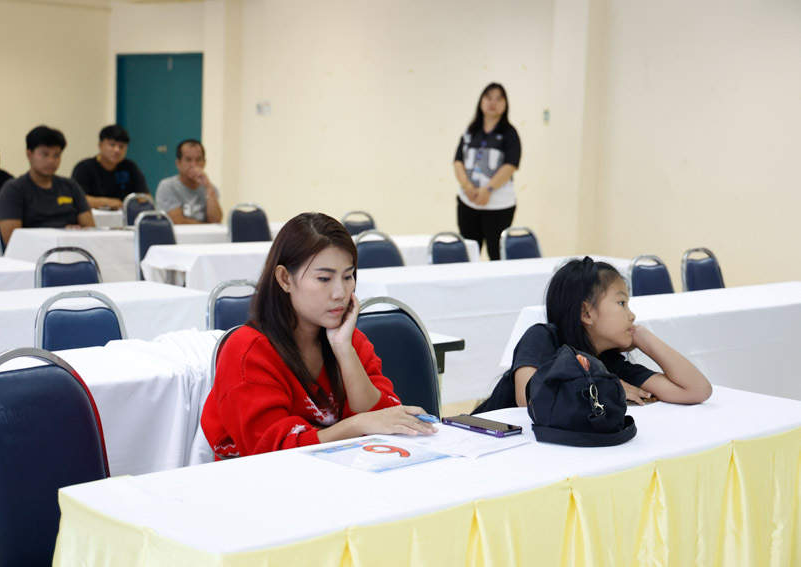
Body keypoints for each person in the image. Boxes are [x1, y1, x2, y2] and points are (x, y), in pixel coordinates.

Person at [201, 212, 436, 458]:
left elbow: (385, 418)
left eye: (348, 276)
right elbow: (270, 451)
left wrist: (344, 349)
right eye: (324, 278)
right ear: (285, 279)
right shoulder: (247, 352)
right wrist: (357, 425)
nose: (340, 293)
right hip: (264, 479)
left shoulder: (351, 340)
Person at [474, 257, 712, 413]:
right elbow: (529, 399)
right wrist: (606, 389)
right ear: (586, 313)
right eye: (621, 303)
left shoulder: (609, 362)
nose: (632, 315)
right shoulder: (543, 338)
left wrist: (643, 337)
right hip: (479, 441)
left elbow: (697, 390)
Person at [453, 83, 522, 261]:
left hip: (498, 206)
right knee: (468, 254)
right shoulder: (470, 132)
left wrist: (488, 189)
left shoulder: (509, 133)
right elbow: (458, 161)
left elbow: (511, 165)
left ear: (505, 104)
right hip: (468, 202)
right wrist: (467, 187)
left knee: (497, 255)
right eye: (488, 97)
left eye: (498, 99)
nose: (493, 103)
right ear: (481, 101)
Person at [0, 126, 94, 245]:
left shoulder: (71, 186)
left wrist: (75, 234)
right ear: (29, 154)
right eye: (44, 154)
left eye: (56, 155)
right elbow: (13, 240)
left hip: (72, 249)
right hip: (32, 253)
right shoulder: (13, 190)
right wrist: (59, 235)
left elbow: (90, 229)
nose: (51, 161)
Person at [71, 124, 149, 210]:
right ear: (100, 145)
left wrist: (142, 204)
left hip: (123, 215)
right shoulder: (84, 167)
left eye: (121, 146)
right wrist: (107, 202)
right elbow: (77, 198)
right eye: (112, 145)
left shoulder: (130, 167)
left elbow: (145, 197)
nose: (117, 150)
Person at [155, 139, 222, 224]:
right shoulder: (167, 186)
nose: (194, 164)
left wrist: (208, 187)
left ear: (204, 163)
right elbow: (178, 222)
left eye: (198, 159)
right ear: (178, 163)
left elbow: (216, 221)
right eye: (188, 160)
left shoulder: (211, 189)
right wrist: (208, 226)